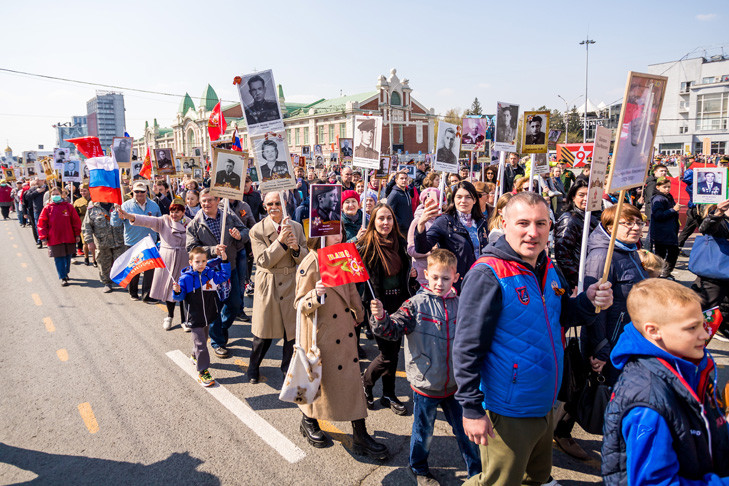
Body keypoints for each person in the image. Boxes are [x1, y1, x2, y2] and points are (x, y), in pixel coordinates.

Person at [453, 192, 613, 486]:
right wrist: (471, 408)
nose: (533, 232)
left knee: (536, 478)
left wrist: (590, 303)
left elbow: (563, 315)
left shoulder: (547, 266)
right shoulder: (488, 273)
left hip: (544, 402)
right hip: (508, 408)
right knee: (498, 481)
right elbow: (466, 348)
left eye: (541, 223)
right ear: (504, 222)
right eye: (523, 223)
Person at [602, 279, 729, 485]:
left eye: (703, 324)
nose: (705, 334)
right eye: (692, 328)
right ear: (653, 331)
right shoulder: (648, 399)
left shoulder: (689, 365)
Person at [370, 249, 481, 483]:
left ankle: (477, 473)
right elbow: (391, 329)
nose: (440, 283)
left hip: (455, 385)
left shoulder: (462, 304)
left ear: (456, 277)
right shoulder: (414, 305)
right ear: (426, 275)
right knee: (424, 432)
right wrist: (381, 318)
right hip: (426, 384)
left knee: (465, 432)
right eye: (435, 277)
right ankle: (418, 468)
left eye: (446, 278)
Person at [293, 233, 388, 460]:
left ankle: (360, 433)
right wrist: (315, 295)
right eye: (332, 232)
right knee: (319, 382)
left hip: (344, 331)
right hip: (321, 336)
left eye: (340, 231)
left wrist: (359, 311)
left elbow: (351, 288)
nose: (338, 235)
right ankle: (308, 420)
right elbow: (298, 303)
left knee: (352, 381)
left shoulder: (341, 255)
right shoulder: (310, 262)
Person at [582, 203, 647, 387]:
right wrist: (601, 349)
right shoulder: (602, 256)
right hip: (612, 341)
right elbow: (596, 309)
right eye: (627, 223)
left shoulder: (629, 249)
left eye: (638, 222)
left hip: (630, 335)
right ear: (610, 228)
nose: (635, 227)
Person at [248, 191, 308, 383]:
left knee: (291, 333)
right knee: (263, 333)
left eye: (277, 203)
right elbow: (263, 261)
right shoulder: (257, 230)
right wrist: (281, 242)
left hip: (291, 283)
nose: (274, 207)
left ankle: (286, 370)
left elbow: (306, 257)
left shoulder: (296, 227)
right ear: (264, 207)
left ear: (284, 204)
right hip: (269, 284)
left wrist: (297, 249)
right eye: (269, 204)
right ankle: (253, 366)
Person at [359, 203, 411, 415]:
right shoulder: (368, 244)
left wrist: (412, 275)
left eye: (389, 218)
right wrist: (357, 240)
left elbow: (406, 268)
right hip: (378, 304)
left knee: (394, 352)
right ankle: (366, 382)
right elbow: (351, 259)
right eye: (380, 219)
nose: (385, 223)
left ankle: (389, 393)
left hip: (400, 303)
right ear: (373, 222)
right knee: (386, 354)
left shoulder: (400, 241)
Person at [186, 188, 248, 357]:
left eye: (211, 200)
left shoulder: (228, 215)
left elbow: (245, 231)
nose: (207, 204)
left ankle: (221, 328)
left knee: (234, 304)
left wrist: (238, 236)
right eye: (204, 200)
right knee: (214, 308)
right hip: (209, 274)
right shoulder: (195, 224)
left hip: (230, 268)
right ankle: (217, 341)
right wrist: (213, 250)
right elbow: (192, 249)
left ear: (218, 199)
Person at [117, 197, 191, 330]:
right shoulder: (164, 221)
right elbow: (146, 220)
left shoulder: (189, 223)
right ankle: (169, 316)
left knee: (183, 289)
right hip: (167, 258)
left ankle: (185, 320)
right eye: (172, 211)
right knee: (169, 289)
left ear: (183, 212)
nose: (174, 214)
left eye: (177, 212)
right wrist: (129, 216)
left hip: (184, 259)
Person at [414, 181, 488, 292]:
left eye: (468, 197)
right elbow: (422, 248)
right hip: (458, 284)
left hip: (480, 281)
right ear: (453, 199)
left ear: (474, 200)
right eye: (459, 197)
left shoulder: (481, 222)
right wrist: (421, 224)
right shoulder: (445, 221)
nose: (463, 201)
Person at [172, 246, 231, 387]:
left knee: (203, 339)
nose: (201, 264)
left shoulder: (209, 274)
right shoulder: (185, 278)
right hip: (194, 316)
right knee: (201, 345)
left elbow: (224, 276)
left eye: (204, 261)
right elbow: (179, 298)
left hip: (209, 314)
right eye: (197, 261)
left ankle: (194, 355)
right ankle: (203, 371)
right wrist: (177, 291)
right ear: (190, 262)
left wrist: (225, 261)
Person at [111, 182, 162, 302]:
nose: (139, 194)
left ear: (146, 192)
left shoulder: (154, 205)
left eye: (142, 191)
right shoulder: (125, 205)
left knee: (150, 270)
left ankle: (147, 295)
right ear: (132, 192)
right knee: (135, 269)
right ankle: (133, 292)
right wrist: (115, 212)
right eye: (136, 191)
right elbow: (115, 224)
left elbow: (159, 223)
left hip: (150, 242)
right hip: (133, 242)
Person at [691, 198, 729, 339]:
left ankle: (722, 327)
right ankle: (693, 342)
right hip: (715, 273)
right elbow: (706, 228)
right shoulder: (719, 218)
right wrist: (719, 212)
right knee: (705, 309)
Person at [554, 180, 599, 290]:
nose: (586, 199)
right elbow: (562, 254)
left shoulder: (594, 216)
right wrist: (576, 281)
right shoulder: (569, 220)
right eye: (581, 195)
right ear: (573, 197)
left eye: (590, 195)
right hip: (578, 280)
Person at [37, 186, 81, 286]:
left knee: (67, 257)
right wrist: (43, 237)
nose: (55, 196)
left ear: (61, 194)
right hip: (54, 238)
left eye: (57, 194)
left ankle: (65, 272)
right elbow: (41, 224)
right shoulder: (47, 208)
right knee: (59, 258)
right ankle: (63, 277)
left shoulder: (68, 207)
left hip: (68, 237)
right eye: (53, 195)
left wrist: (77, 234)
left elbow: (76, 221)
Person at [83, 196, 125, 293]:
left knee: (120, 263)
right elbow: (87, 226)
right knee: (104, 264)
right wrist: (89, 242)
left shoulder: (119, 206)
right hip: (102, 243)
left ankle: (121, 281)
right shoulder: (92, 209)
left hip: (119, 241)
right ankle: (107, 283)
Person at [407, 187, 441, 287]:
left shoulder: (443, 220)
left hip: (440, 274)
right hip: (423, 275)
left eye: (435, 199)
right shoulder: (417, 221)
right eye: (427, 200)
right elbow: (411, 250)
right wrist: (430, 251)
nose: (431, 203)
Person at [650, 178, 680, 278]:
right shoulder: (659, 199)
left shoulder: (667, 197)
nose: (667, 189)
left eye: (668, 187)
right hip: (662, 231)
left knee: (669, 252)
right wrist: (673, 210)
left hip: (668, 231)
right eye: (664, 187)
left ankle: (663, 272)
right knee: (665, 254)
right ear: (658, 187)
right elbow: (658, 215)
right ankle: (662, 273)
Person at [387, 170, 414, 236]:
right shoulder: (394, 194)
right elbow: (390, 211)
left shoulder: (407, 192)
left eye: (405, 178)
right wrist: (400, 223)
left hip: (408, 227)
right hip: (399, 230)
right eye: (401, 178)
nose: (404, 180)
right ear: (396, 180)